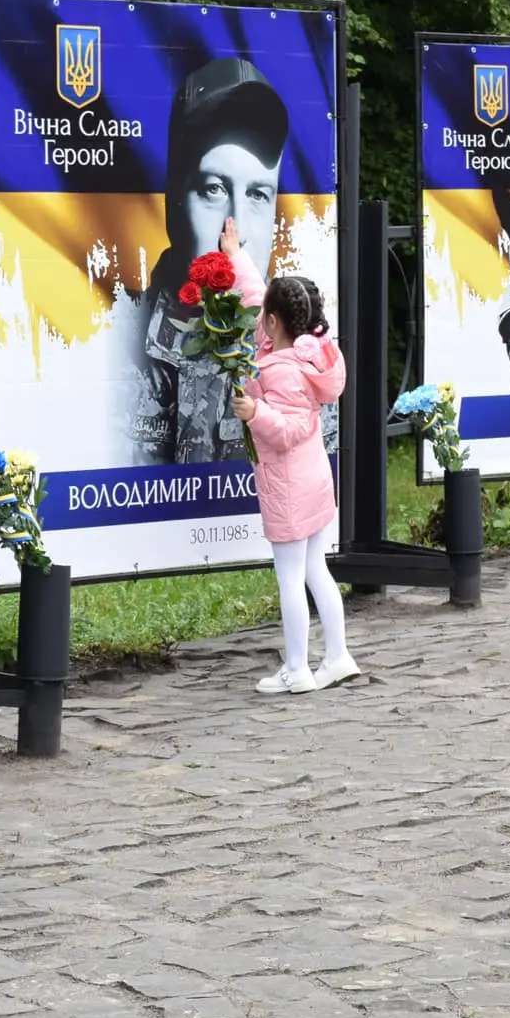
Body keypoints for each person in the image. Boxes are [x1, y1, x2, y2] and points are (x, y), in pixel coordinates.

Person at [219, 219, 358, 695]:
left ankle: (297, 668)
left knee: (290, 578)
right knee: (317, 569)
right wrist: (235, 255)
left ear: (274, 323)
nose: (259, 318)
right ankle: (337, 657)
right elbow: (258, 294)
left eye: (265, 317)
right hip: (315, 481)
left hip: (288, 486)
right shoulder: (305, 351)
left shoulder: (280, 371)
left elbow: (291, 430)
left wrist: (255, 411)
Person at [130, 57, 292, 464]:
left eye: (258, 195)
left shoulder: (298, 347)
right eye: (214, 188)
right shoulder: (113, 342)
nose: (234, 232)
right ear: (175, 197)